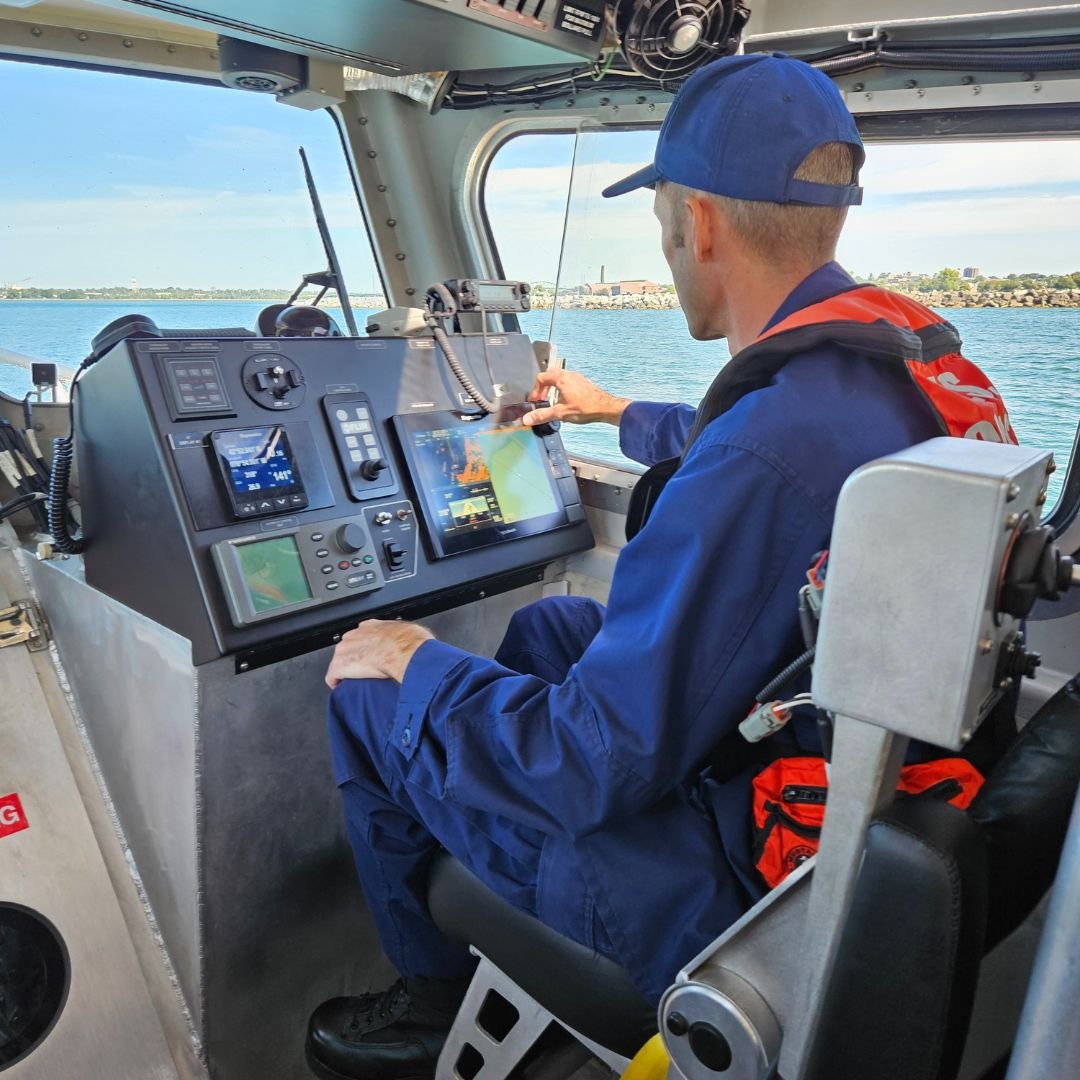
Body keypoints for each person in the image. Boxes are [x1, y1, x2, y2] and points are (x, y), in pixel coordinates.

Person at [306, 53, 1015, 1080]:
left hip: (736, 905)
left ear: (701, 224)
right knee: (552, 628)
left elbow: (591, 756)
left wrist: (416, 661)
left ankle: (429, 997)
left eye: (663, 222)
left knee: (369, 688)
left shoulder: (764, 453)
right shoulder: (884, 373)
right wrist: (611, 411)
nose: (669, 244)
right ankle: (501, 865)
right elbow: (747, 446)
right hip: (844, 807)